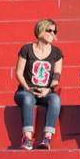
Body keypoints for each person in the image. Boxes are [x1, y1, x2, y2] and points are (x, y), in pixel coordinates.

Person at [13, 19, 63, 150]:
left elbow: (57, 75)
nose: (53, 34)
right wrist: (27, 88)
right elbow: (18, 72)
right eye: (49, 30)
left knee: (55, 99)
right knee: (28, 98)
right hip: (25, 90)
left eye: (55, 31)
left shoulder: (57, 53)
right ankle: (27, 138)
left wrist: (49, 89)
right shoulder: (27, 49)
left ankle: (47, 138)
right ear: (40, 31)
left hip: (45, 92)